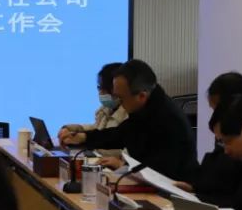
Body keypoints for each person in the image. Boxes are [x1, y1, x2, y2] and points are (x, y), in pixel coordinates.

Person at [62, 59, 197, 182]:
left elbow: (159, 170)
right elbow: (121, 134)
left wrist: (124, 166)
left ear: (141, 96)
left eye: (121, 98)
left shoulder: (169, 120)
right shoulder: (146, 107)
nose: (120, 103)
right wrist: (84, 137)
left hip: (173, 189)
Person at [183, 72, 242, 206]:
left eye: (217, 109)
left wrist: (198, 195)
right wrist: (194, 189)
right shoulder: (225, 131)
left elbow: (234, 197)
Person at [58, 62, 128, 150]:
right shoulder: (105, 109)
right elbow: (97, 130)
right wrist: (71, 129)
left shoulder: (129, 114)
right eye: (99, 88)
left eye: (104, 89)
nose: (101, 93)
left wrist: (84, 138)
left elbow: (118, 142)